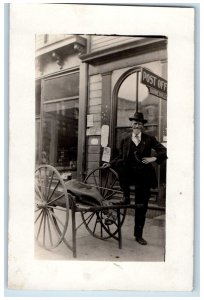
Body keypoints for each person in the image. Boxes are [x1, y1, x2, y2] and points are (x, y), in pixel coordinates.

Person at [103, 112, 167, 245]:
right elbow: (121, 157)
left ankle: (138, 235)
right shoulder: (124, 139)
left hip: (144, 177)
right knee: (120, 167)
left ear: (143, 126)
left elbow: (163, 151)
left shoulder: (149, 139)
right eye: (134, 123)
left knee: (141, 207)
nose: (136, 125)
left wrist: (153, 158)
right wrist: (110, 163)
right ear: (131, 124)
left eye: (139, 123)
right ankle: (125, 196)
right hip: (129, 175)